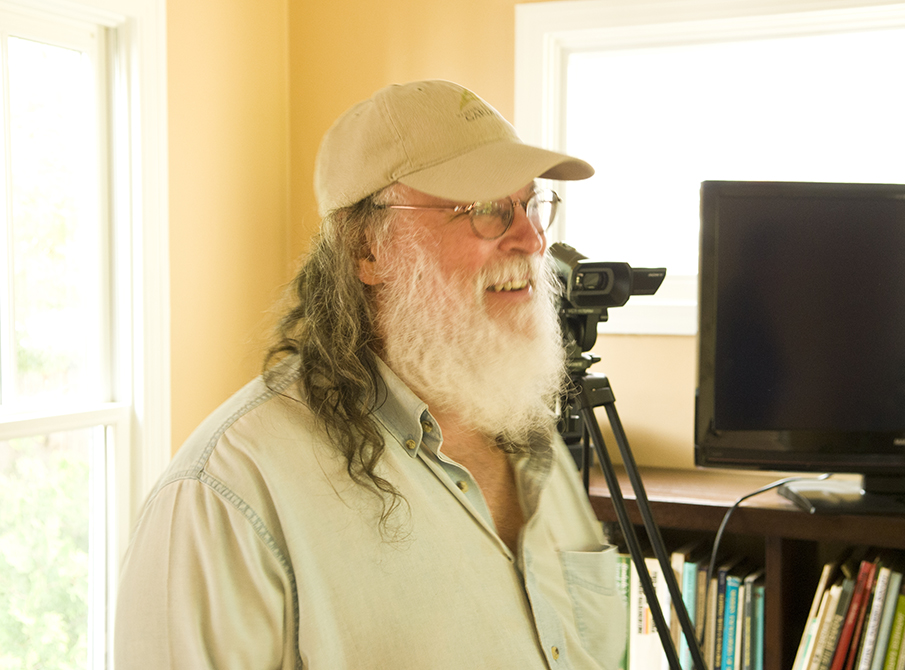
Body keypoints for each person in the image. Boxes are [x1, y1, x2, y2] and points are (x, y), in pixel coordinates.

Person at [114, 80, 626, 669]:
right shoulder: (225, 496)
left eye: (530, 204)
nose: (532, 239)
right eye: (486, 209)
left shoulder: (532, 439)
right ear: (368, 249)